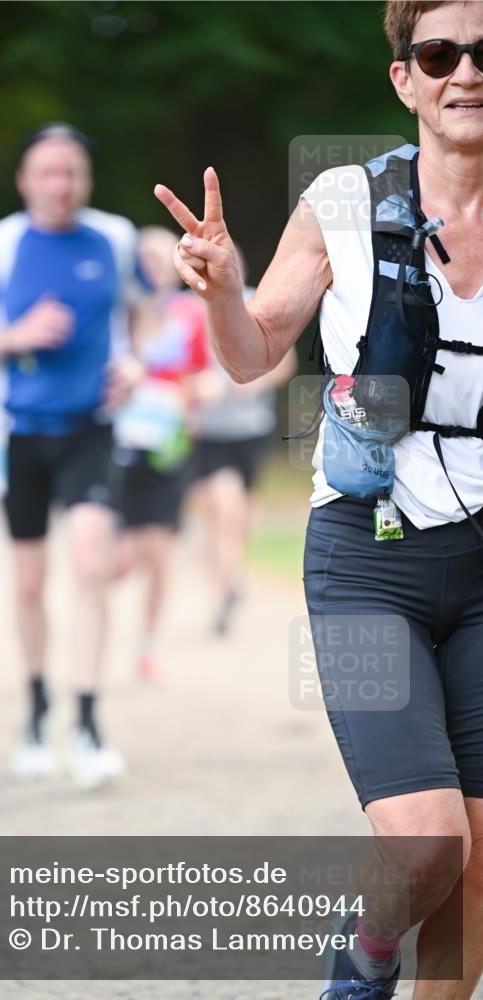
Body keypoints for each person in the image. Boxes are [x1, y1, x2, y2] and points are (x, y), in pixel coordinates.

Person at [155, 1, 483, 997]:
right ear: (403, 80)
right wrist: (220, 289)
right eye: (438, 54)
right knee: (427, 848)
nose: (465, 72)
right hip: (365, 555)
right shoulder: (345, 199)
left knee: (476, 897)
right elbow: (252, 353)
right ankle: (362, 954)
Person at [0, 123, 141, 789]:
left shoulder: (114, 239)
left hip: (92, 428)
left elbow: (154, 311)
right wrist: (17, 334)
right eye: (47, 172)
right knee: (29, 581)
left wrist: (136, 364)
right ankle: (35, 709)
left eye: (72, 172)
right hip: (18, 434)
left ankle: (86, 723)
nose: (60, 184)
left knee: (89, 562)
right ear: (25, 179)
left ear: (85, 178)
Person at [110, 226, 209, 682]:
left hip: (169, 441)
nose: (151, 263)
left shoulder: (191, 312)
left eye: (159, 255)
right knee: (121, 556)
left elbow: (206, 373)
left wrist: (198, 399)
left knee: (160, 552)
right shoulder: (119, 314)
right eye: (143, 255)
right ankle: (91, 616)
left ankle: (147, 646)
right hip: (120, 441)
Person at [188, 246, 297, 635]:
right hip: (204, 432)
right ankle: (226, 588)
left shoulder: (257, 301)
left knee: (236, 516)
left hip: (249, 429)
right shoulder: (186, 311)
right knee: (220, 506)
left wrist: (254, 381)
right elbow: (168, 368)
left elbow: (285, 364)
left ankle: (226, 584)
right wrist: (194, 388)